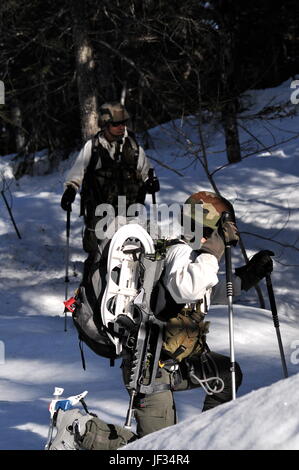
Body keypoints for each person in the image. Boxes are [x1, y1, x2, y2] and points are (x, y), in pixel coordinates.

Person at [50, 191, 274, 450]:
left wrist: (248, 275)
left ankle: (206, 439)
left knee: (227, 375)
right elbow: (187, 287)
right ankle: (79, 429)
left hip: (180, 363)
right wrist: (215, 249)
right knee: (158, 449)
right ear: (208, 227)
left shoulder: (195, 259)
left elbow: (206, 292)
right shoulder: (180, 252)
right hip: (151, 369)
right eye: (223, 228)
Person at [60, 101, 159, 282]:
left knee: (129, 253)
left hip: (129, 211)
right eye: (116, 124)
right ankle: (88, 295)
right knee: (97, 254)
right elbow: (77, 172)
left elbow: (146, 171)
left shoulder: (134, 147)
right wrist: (70, 190)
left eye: (124, 123)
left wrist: (151, 182)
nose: (121, 127)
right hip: (100, 211)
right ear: (106, 124)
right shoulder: (94, 147)